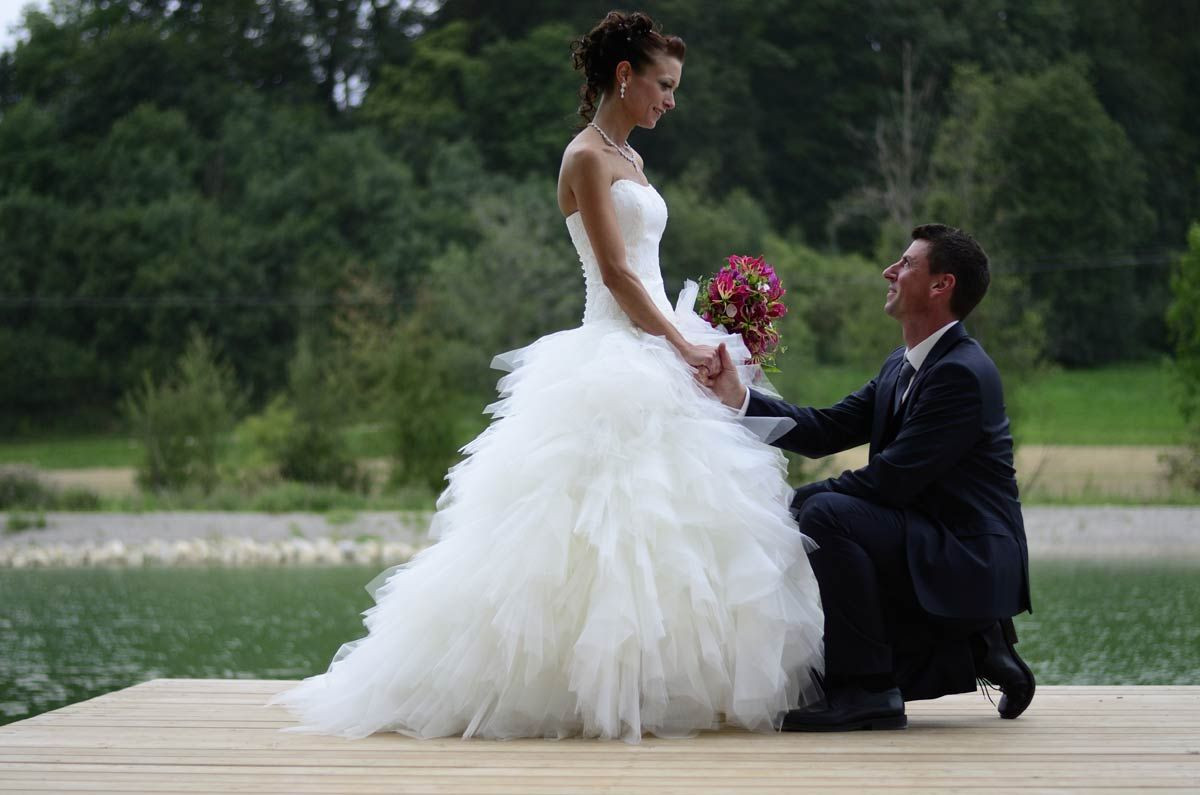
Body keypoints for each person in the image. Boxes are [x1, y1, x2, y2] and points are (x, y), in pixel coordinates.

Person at [269, 10, 824, 743]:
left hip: (656, 339)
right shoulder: (585, 158)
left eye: (675, 87)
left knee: (674, 526)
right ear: (624, 76)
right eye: (663, 84)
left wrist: (702, 331)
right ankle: (573, 692)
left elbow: (647, 267)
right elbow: (620, 274)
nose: (671, 99)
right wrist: (680, 345)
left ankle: (665, 688)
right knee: (594, 528)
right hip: (614, 345)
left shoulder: (634, 160)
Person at [699, 224, 1035, 731]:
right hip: (927, 533)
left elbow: (890, 481)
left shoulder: (962, 373)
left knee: (828, 514)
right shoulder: (901, 365)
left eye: (905, 263)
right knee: (822, 512)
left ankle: (868, 690)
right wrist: (738, 400)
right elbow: (827, 428)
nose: (889, 271)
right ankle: (975, 646)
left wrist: (793, 503)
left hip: (969, 550)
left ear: (941, 285)